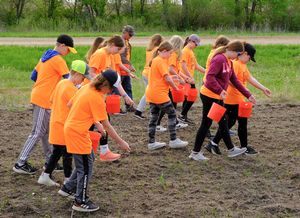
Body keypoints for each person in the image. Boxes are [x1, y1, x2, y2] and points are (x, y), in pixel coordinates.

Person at [58, 70, 130, 212]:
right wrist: (121, 142)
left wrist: (95, 122)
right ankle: (80, 201)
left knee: (87, 160)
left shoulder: (87, 87)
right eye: (111, 89)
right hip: (77, 133)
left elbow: (71, 104)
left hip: (73, 129)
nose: (111, 92)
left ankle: (68, 188)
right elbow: (107, 125)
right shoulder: (96, 97)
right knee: (85, 169)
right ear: (105, 85)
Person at [13, 34, 76, 174]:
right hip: (43, 99)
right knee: (37, 132)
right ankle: (20, 163)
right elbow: (69, 80)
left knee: (47, 132)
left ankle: (50, 161)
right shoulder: (58, 60)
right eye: (68, 50)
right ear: (62, 46)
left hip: (42, 97)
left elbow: (33, 76)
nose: (67, 54)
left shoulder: (45, 56)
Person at [189, 40, 256, 161]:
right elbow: (209, 77)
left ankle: (230, 150)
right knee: (206, 123)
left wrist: (248, 94)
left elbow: (235, 81)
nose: (238, 57)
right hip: (209, 95)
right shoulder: (219, 59)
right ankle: (195, 152)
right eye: (238, 54)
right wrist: (220, 90)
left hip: (217, 96)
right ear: (233, 51)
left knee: (223, 122)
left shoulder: (229, 62)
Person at [206, 43, 271, 156]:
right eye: (249, 58)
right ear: (244, 53)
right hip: (232, 99)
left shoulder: (241, 65)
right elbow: (231, 80)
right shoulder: (235, 64)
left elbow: (249, 78)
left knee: (232, 123)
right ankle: (241, 147)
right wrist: (244, 92)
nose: (249, 60)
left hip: (239, 99)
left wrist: (263, 88)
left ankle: (217, 143)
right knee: (234, 123)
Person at [37, 60, 90, 186]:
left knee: (57, 152)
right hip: (63, 125)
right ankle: (67, 181)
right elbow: (77, 106)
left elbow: (51, 100)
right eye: (82, 78)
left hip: (56, 123)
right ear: (76, 74)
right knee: (67, 154)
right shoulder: (70, 88)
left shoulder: (61, 83)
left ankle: (45, 175)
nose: (82, 81)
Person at [88, 35, 134, 162]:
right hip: (93, 94)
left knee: (97, 122)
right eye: (118, 49)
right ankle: (95, 151)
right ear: (112, 44)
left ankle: (100, 151)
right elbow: (91, 72)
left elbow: (115, 80)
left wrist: (125, 96)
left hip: (99, 94)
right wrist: (99, 86)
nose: (118, 53)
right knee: (100, 122)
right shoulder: (100, 54)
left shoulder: (109, 56)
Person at [146, 41, 188, 150]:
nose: (171, 55)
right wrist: (175, 88)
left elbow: (162, 78)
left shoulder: (157, 60)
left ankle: (151, 142)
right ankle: (173, 140)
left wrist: (175, 78)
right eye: (170, 53)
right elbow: (167, 78)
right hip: (159, 94)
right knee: (172, 114)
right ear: (164, 51)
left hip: (152, 93)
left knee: (154, 117)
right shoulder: (160, 61)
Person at [156, 35, 188, 132]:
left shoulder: (173, 54)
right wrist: (179, 77)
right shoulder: (173, 54)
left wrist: (182, 77)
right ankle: (158, 124)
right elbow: (170, 69)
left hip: (172, 81)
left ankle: (175, 122)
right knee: (168, 104)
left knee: (172, 103)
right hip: (170, 83)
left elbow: (175, 69)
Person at [203, 35, 230, 139]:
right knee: (212, 115)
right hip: (210, 86)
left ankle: (222, 130)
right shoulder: (216, 55)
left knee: (215, 114)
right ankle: (219, 132)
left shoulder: (217, 54)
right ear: (222, 45)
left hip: (212, 85)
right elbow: (211, 75)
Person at [134, 34, 163, 119]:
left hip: (145, 72)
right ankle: (139, 111)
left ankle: (140, 111)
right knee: (149, 93)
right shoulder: (157, 50)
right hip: (150, 74)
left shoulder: (149, 49)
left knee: (148, 93)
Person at [178, 34, 206, 125]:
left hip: (189, 78)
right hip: (186, 78)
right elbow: (183, 66)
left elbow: (196, 66)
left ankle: (183, 116)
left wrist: (206, 72)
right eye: (196, 44)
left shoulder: (190, 51)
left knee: (188, 97)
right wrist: (190, 77)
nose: (196, 46)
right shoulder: (185, 51)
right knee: (190, 97)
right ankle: (182, 116)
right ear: (191, 41)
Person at [119, 25, 136, 112]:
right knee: (117, 88)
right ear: (125, 33)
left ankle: (129, 105)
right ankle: (115, 107)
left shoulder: (127, 43)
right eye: (130, 35)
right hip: (120, 69)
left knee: (127, 87)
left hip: (125, 69)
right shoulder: (120, 42)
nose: (131, 37)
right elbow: (121, 56)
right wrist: (130, 65)